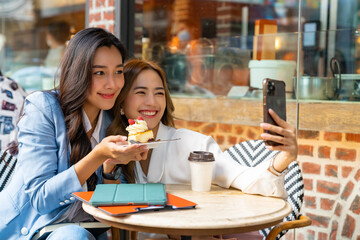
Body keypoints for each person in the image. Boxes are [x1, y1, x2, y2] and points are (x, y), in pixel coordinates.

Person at [107, 59, 298, 239]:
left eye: (159, 93)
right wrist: (109, 166)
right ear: (122, 103)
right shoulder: (116, 147)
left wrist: (285, 158)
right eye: (141, 92)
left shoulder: (192, 145)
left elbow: (244, 178)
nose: (152, 102)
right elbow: (109, 206)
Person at [0, 28, 148, 240]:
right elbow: (40, 198)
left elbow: (114, 206)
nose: (113, 84)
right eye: (99, 73)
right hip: (25, 229)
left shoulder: (112, 121)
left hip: (80, 230)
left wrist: (109, 167)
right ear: (78, 72)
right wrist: (97, 155)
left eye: (118, 71)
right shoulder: (43, 108)